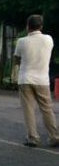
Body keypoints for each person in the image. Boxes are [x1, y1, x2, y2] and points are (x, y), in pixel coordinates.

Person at [13, 14, 59, 148]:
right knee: (47, 109)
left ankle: (33, 137)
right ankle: (54, 136)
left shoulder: (22, 41)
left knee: (29, 109)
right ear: (41, 26)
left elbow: (16, 60)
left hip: (25, 79)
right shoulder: (48, 39)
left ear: (28, 27)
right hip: (42, 80)